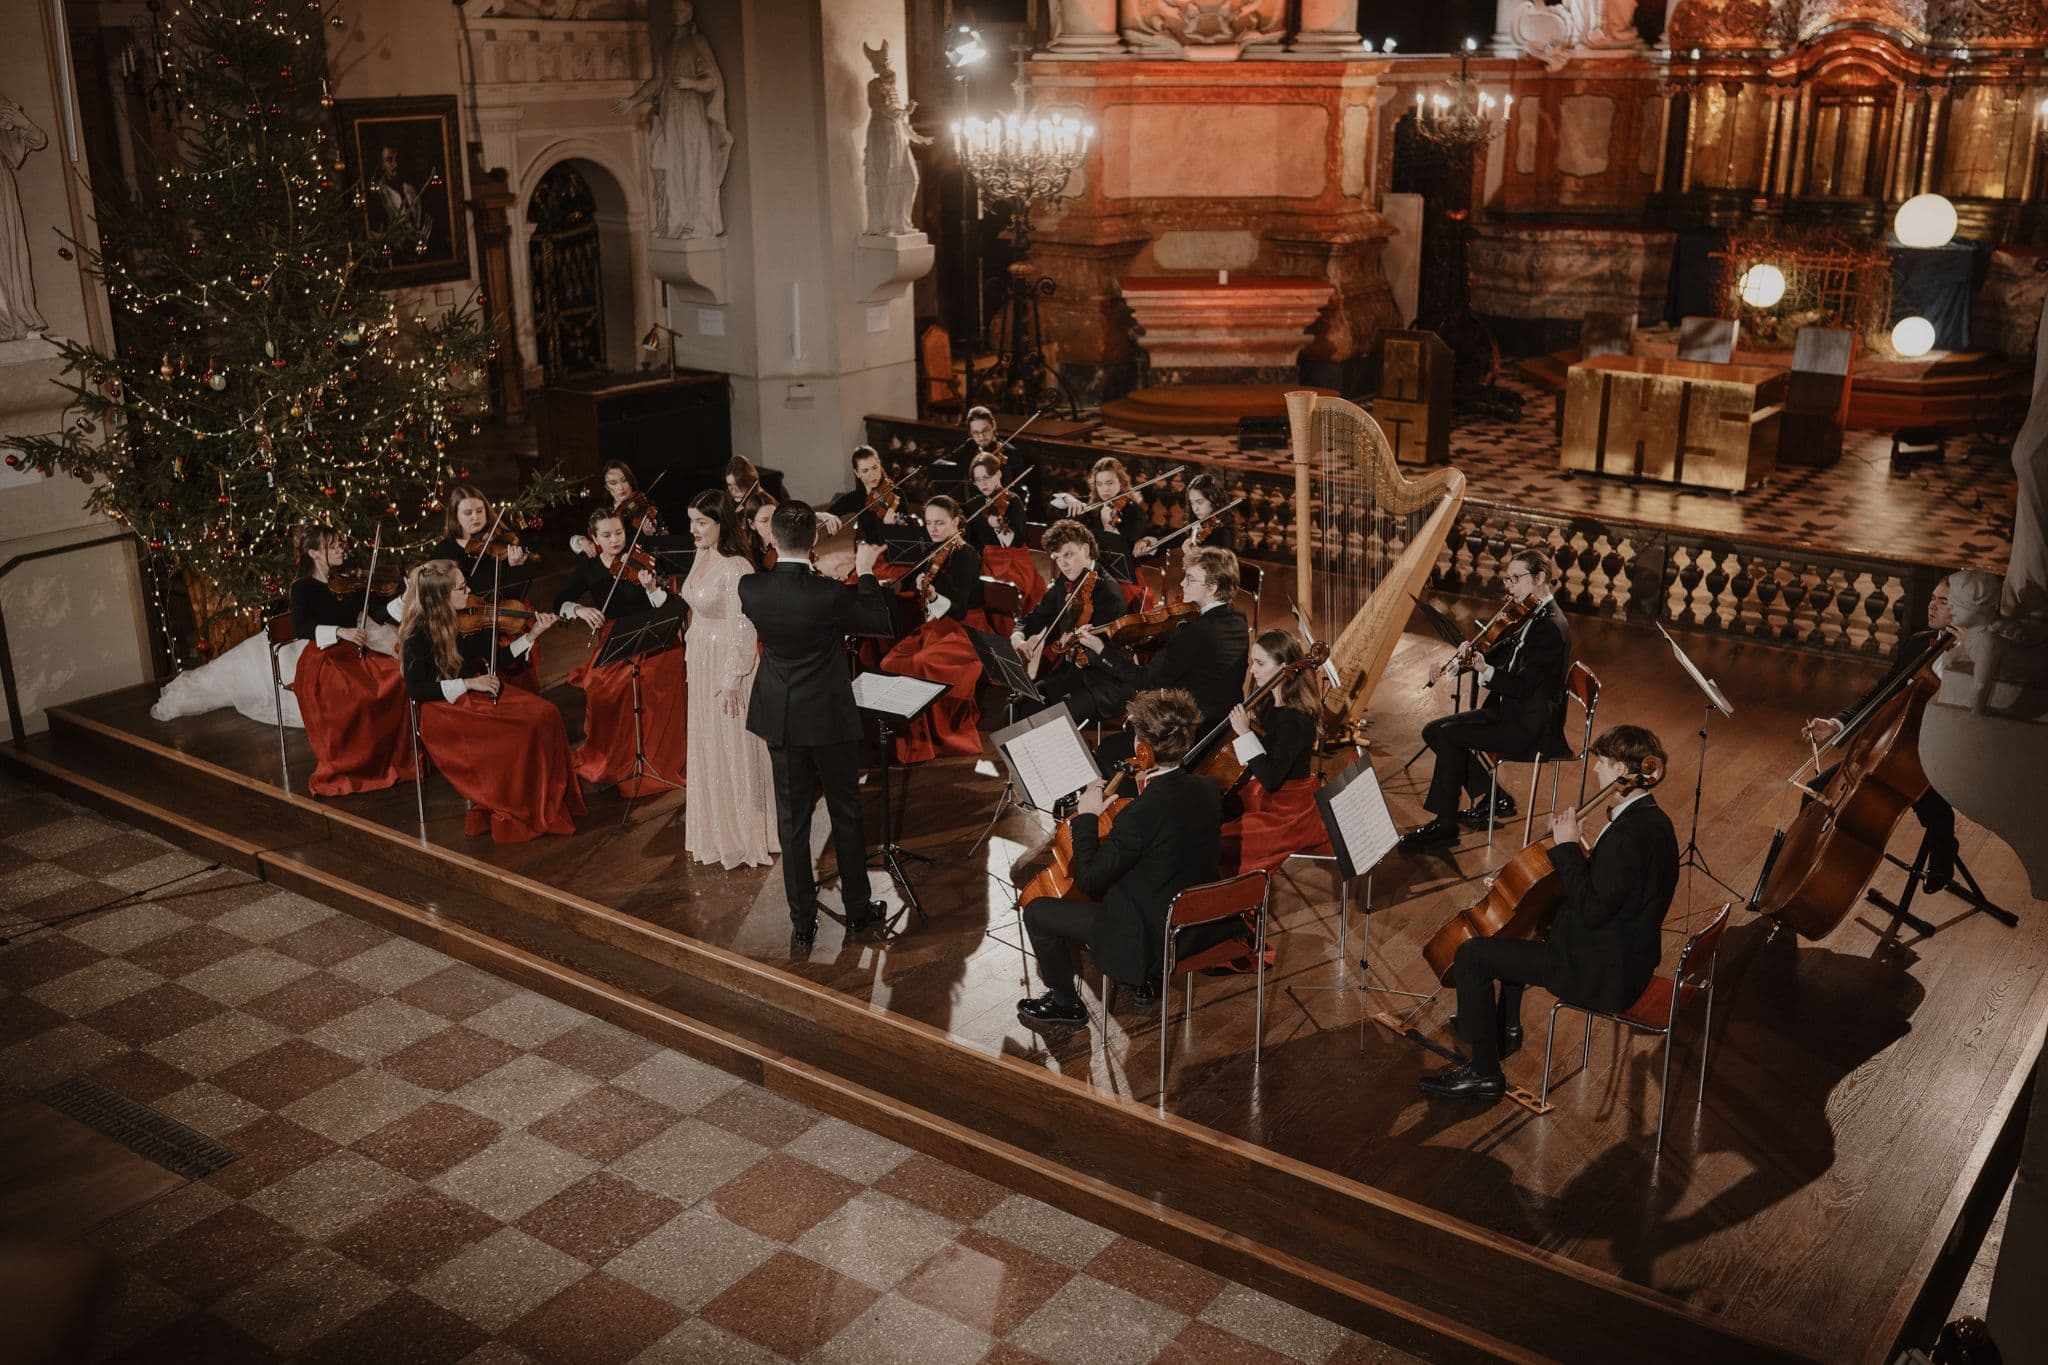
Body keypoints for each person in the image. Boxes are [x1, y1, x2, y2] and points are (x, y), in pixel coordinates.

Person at [1420, 724, 1678, 1101]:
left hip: (1599, 973)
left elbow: (1591, 910)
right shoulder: (1654, 822)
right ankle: (1505, 1030)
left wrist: (1568, 848)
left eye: (1602, 763)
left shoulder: (1626, 837)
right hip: (1627, 959)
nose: (1595, 769)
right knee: (1522, 931)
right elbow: (1618, 890)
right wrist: (1577, 847)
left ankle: (1483, 1072)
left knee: (1472, 955)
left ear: (1622, 770)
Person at [1017, 688, 1225, 1027]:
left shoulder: (1138, 816)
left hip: (1150, 938)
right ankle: (1142, 982)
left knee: (1037, 912)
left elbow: (1088, 878)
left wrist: (1087, 818)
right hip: (1196, 925)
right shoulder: (1209, 790)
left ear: (1143, 750)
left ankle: (1065, 1003)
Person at [737, 501, 893, 952]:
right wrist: (865, 570)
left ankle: (802, 922)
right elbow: (878, 621)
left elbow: (786, 591)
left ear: (772, 538)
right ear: (816, 539)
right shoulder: (828, 593)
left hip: (781, 714)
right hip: (826, 715)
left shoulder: (751, 588)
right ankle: (857, 909)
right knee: (845, 811)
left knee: (792, 821)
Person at [398, 560, 582, 843]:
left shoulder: (468, 620)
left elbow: (503, 658)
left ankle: (546, 801)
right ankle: (519, 805)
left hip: (478, 691)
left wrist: (532, 634)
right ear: (440, 597)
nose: (469, 592)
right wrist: (468, 683)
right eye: (461, 588)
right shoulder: (417, 636)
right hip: (444, 708)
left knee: (547, 713)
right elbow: (416, 690)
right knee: (522, 730)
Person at [1399, 549, 1571, 851]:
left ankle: (1445, 826)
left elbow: (1523, 687)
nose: (1509, 586)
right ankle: (1493, 797)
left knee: (1448, 735)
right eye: (1507, 579)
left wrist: (1484, 670)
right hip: (1509, 711)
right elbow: (1497, 654)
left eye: (1515, 579)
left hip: (1530, 727)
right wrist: (1457, 664)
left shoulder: (1551, 628)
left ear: (1540, 577)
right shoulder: (1528, 612)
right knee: (1434, 731)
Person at [1801, 572, 1961, 891]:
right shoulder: (1919, 642)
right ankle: (1802, 868)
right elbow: (1880, 693)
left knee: (1919, 789)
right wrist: (1837, 724)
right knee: (1816, 791)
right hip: (1891, 745)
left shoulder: (1974, 660)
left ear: (1964, 610)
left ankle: (1944, 847)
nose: (1932, 606)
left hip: (1940, 753)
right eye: (1932, 598)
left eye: (1943, 602)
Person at [1082, 545, 1249, 770]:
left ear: (1212, 587)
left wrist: (1101, 651)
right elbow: (1194, 658)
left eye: (1190, 579)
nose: (1182, 584)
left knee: (1107, 751)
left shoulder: (1192, 631)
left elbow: (1146, 680)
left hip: (1188, 732)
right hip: (1224, 725)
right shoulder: (1237, 618)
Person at [681, 490, 780, 868]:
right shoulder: (702, 554)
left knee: (734, 743)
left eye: (701, 522)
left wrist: (732, 678)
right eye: (691, 521)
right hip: (702, 658)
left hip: (727, 662)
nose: (694, 529)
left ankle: (745, 833)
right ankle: (715, 829)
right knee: (710, 741)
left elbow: (744, 625)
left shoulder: (737, 566)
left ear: (721, 523)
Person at [558, 510, 687, 795]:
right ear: (594, 538)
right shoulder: (590, 569)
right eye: (606, 535)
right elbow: (560, 601)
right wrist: (579, 609)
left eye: (618, 533)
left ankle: (661, 755)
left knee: (661, 672)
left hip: (652, 633)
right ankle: (616, 755)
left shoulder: (641, 561)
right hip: (616, 637)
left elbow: (665, 604)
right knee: (600, 685)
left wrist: (651, 588)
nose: (615, 540)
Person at [288, 526, 412, 797]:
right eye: (332, 546)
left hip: (355, 653)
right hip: (324, 658)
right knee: (355, 695)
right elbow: (301, 627)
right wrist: (339, 631)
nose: (340, 550)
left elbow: (377, 612)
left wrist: (405, 597)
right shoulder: (302, 588)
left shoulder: (349, 582)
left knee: (397, 678)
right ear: (314, 554)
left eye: (339, 544)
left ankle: (388, 760)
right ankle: (355, 766)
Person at [878, 496, 987, 763]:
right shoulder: (936, 549)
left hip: (966, 631)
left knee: (919, 663)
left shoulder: (966, 555)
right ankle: (911, 738)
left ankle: (927, 741)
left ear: (956, 521)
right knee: (891, 661)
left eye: (940, 523)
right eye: (929, 523)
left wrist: (934, 595)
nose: (933, 529)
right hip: (938, 625)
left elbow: (959, 610)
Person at [1218, 630, 1331, 876]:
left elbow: (1271, 778)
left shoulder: (1295, 721)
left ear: (1283, 667)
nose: (1252, 670)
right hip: (1266, 796)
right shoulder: (1269, 702)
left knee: (1219, 842)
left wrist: (1245, 733)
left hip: (1287, 812)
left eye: (1260, 663)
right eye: (1252, 662)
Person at [1009, 519, 1131, 726]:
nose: (1063, 564)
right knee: (1015, 710)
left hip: (1103, 683)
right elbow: (1037, 615)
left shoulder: (1110, 594)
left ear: (1085, 549)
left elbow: (1105, 655)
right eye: (1057, 558)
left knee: (1048, 721)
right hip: (1070, 674)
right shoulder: (1066, 580)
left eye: (1068, 555)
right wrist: (1018, 636)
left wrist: (1075, 644)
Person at [1051, 456, 1153, 582]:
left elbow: (1125, 553)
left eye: (1109, 483)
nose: (1105, 489)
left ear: (1121, 482)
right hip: (1093, 573)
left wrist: (1108, 527)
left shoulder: (1135, 512)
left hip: (1123, 578)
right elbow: (1054, 501)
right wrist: (1068, 499)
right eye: (1099, 484)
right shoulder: (1093, 505)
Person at [1135, 472, 1234, 560]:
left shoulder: (1223, 532)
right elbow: (1174, 540)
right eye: (1192, 503)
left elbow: (1218, 565)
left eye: (1199, 502)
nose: (1195, 508)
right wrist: (1149, 542)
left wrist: (1196, 553)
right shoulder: (1199, 525)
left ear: (1213, 500)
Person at [826, 444, 905, 550]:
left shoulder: (897, 494)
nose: (872, 475)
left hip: (894, 550)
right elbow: (826, 513)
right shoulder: (855, 497)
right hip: (869, 552)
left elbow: (905, 536)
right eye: (865, 471)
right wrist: (826, 516)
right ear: (857, 473)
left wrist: (889, 527)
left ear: (879, 464)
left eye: (875, 468)